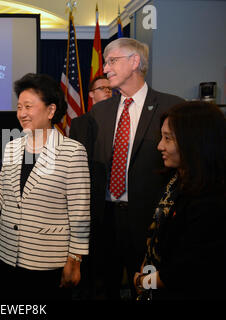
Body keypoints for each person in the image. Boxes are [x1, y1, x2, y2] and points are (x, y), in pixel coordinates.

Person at [70, 38, 184, 300]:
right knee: (100, 289)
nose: (106, 68)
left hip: (149, 224)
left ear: (134, 62)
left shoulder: (171, 108)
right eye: (106, 62)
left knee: (148, 290)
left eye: (112, 61)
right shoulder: (98, 112)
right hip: (104, 221)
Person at [0, 73, 90, 300]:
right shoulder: (12, 147)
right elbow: (3, 194)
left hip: (46, 261)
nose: (21, 113)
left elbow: (80, 212)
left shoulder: (72, 151)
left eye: (28, 106)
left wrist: (75, 260)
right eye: (19, 106)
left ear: (51, 111)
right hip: (7, 255)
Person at [134, 101, 226, 300]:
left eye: (168, 138)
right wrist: (146, 272)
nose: (160, 146)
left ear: (195, 142)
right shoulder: (174, 181)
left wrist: (142, 282)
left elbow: (185, 273)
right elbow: (155, 235)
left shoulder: (211, 201)